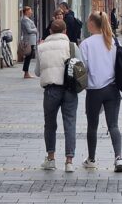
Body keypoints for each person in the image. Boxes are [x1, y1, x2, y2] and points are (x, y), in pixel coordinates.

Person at [79, 12, 122, 172]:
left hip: (94, 90)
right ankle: (118, 158)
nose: (86, 24)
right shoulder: (112, 41)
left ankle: (91, 159)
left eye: (87, 22)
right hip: (113, 89)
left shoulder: (86, 44)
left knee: (92, 126)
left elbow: (82, 69)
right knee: (113, 125)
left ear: (92, 24)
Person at [35, 19, 80, 173]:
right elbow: (81, 67)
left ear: (50, 31)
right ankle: (69, 161)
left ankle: (51, 158)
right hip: (69, 89)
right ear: (65, 31)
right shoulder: (72, 46)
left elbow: (37, 72)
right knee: (70, 123)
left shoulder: (41, 47)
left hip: (51, 90)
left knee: (50, 125)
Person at [21, 6, 38, 79]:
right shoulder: (25, 20)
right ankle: (26, 73)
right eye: (30, 11)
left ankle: (26, 72)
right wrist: (35, 30)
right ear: (26, 11)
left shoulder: (27, 19)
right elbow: (29, 30)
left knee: (29, 56)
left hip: (31, 40)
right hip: (29, 40)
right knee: (28, 56)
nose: (31, 12)